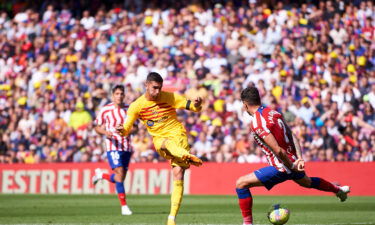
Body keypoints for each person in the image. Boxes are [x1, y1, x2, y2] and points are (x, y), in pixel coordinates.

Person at [235, 87, 350, 225]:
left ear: (245, 104)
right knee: (307, 182)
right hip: (292, 161)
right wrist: (299, 158)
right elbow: (292, 135)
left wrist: (291, 165)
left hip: (282, 166)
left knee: (241, 184)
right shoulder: (273, 112)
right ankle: (338, 190)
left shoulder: (258, 122)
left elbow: (278, 151)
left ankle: (247, 223)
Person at [116, 72, 203, 225]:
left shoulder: (169, 96)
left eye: (160, 88)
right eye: (154, 88)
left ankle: (171, 218)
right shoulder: (136, 106)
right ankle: (186, 155)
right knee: (162, 144)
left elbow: (191, 107)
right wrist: (121, 130)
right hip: (159, 139)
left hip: (177, 135)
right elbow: (126, 128)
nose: (157, 92)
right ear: (146, 85)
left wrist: (196, 104)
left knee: (178, 174)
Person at [92, 85, 133, 215]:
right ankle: (124, 207)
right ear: (112, 95)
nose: (119, 96)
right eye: (117, 94)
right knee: (120, 173)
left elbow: (136, 127)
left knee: (120, 177)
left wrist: (127, 130)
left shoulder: (129, 110)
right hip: (112, 146)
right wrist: (105, 132)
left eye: (121, 94)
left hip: (126, 147)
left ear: (124, 95)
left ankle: (101, 175)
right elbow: (97, 127)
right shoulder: (106, 110)